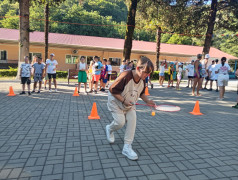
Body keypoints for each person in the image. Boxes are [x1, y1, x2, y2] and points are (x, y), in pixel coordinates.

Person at [105, 56, 155, 160]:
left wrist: (148, 101)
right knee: (120, 122)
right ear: (138, 69)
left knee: (133, 120)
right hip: (115, 101)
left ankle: (127, 147)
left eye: (149, 73)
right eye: (146, 72)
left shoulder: (142, 79)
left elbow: (141, 93)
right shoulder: (126, 76)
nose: (147, 75)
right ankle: (109, 128)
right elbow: (112, 89)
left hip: (129, 103)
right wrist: (123, 101)